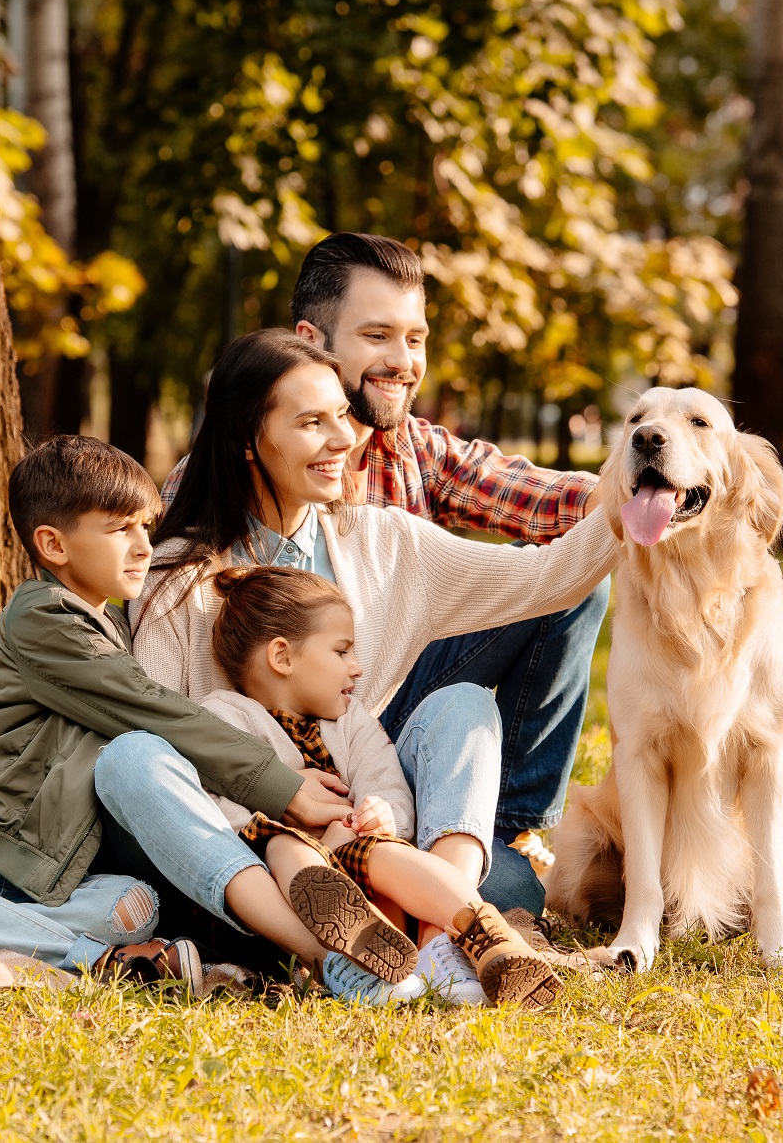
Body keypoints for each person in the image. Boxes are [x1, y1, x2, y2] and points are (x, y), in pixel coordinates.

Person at [98, 329, 617, 978]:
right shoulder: (176, 580)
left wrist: (634, 495)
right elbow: (170, 746)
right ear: (247, 440)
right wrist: (281, 794)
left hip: (363, 825)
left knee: (465, 721)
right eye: (312, 422)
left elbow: (546, 580)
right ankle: (340, 942)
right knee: (135, 763)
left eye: (340, 414)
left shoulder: (384, 540)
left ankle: (438, 938)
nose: (344, 439)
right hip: (245, 842)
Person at [163, 233, 609, 910]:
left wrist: (639, 491)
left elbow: (538, 503)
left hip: (384, 707)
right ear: (311, 341)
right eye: (378, 335)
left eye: (416, 339)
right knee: (508, 894)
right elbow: (179, 702)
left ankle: (503, 834)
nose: (403, 362)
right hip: (270, 762)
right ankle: (443, 895)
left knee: (561, 597)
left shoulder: (410, 461)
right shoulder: (212, 507)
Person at [0, 436, 352, 994]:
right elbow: (154, 708)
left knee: (134, 905)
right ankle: (94, 959)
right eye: (119, 529)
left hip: (56, 873)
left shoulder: (112, 626)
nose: (143, 545)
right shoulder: (41, 617)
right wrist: (279, 784)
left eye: (145, 526)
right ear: (53, 544)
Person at [201, 565, 564, 1008]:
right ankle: (381, 963)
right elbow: (217, 805)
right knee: (297, 854)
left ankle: (486, 937)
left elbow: (389, 785)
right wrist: (307, 830)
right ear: (282, 656)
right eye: (341, 651)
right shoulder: (224, 717)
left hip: (359, 856)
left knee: (387, 851)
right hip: (286, 873)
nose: (356, 668)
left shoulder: (351, 720)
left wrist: (382, 811)